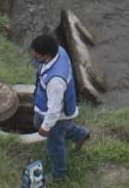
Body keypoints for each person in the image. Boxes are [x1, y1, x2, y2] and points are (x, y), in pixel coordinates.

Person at [30, 33, 91, 182]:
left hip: (58, 116)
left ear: (46, 55)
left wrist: (46, 127)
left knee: (55, 146)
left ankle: (59, 175)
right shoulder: (59, 51)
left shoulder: (56, 82)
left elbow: (54, 111)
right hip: (55, 112)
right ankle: (81, 135)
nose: (32, 54)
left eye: (35, 53)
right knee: (60, 128)